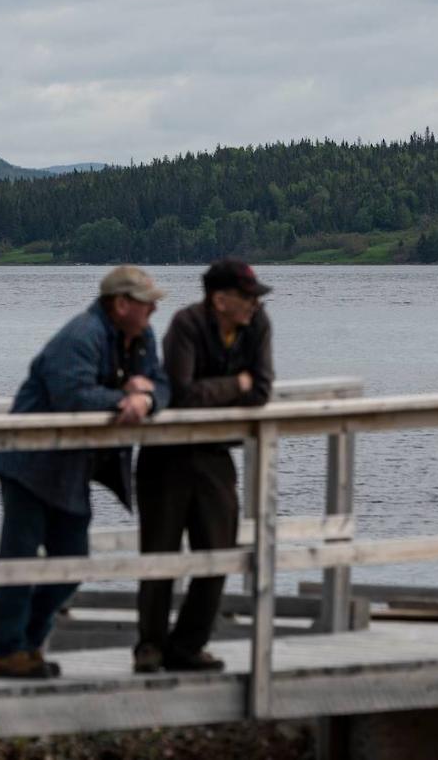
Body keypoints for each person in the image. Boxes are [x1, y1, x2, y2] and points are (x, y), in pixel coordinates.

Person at [0, 265, 171, 679]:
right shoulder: (81, 336)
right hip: (29, 462)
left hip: (72, 468)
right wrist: (123, 398)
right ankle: (7, 652)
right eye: (146, 302)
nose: (154, 309)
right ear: (121, 304)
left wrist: (146, 401)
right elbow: (71, 396)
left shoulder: (142, 338)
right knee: (19, 562)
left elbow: (161, 384)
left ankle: (28, 644)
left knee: (72, 564)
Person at [133, 258, 274, 673]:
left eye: (255, 297)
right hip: (166, 452)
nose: (254, 304)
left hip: (214, 452)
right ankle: (150, 645)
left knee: (219, 550)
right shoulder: (186, 324)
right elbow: (182, 394)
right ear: (220, 299)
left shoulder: (257, 324)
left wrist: (229, 388)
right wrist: (236, 384)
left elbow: (261, 389)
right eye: (247, 297)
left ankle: (188, 644)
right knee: (159, 552)